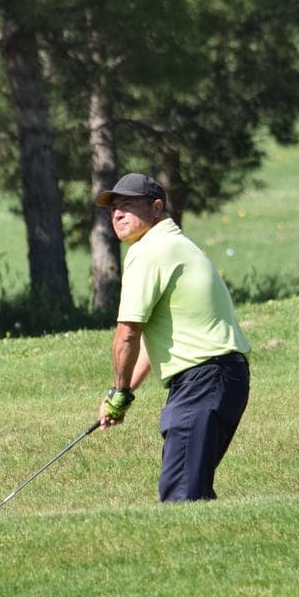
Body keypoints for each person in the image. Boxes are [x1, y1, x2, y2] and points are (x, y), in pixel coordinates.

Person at [94, 173, 251, 502]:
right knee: (190, 488)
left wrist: (117, 391)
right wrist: (125, 394)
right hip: (221, 376)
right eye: (113, 209)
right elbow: (156, 342)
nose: (117, 214)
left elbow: (127, 333)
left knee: (182, 496)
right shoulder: (174, 245)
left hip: (204, 378)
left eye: (127, 206)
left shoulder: (150, 251)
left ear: (156, 207)